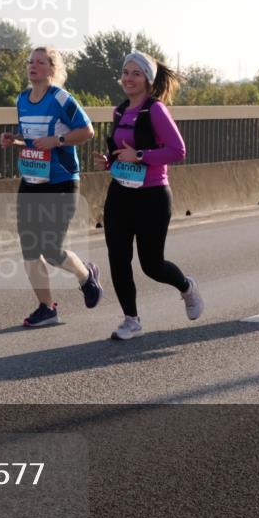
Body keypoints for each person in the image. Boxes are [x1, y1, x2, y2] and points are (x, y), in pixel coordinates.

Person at [93, 50, 203, 340]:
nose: (128, 78)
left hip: (152, 195)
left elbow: (178, 151)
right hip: (120, 193)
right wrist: (109, 160)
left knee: (152, 264)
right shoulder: (119, 111)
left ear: (148, 80)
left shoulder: (155, 110)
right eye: (126, 72)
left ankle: (186, 287)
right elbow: (123, 152)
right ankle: (131, 320)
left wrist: (139, 155)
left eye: (136, 73)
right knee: (118, 258)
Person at [0, 46, 102, 327]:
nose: (33, 66)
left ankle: (85, 276)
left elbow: (87, 131)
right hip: (32, 180)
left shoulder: (61, 98)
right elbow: (33, 141)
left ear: (52, 69)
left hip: (62, 181)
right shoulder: (22, 99)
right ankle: (47, 308)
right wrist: (15, 141)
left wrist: (58, 141)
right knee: (30, 248)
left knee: (51, 248)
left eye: (40, 62)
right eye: (30, 61)